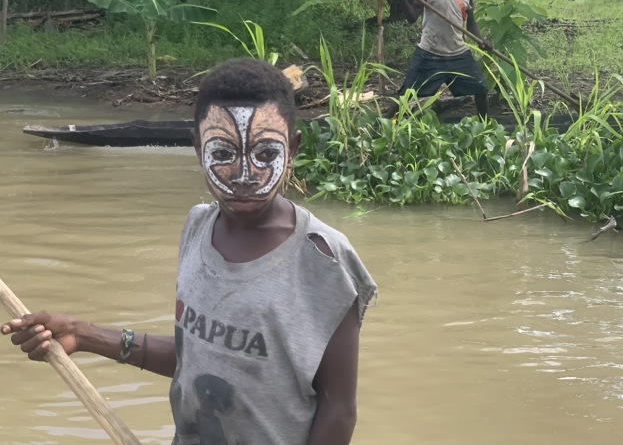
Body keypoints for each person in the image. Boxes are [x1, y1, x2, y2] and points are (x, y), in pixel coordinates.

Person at [2, 58, 378, 445]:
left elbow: (338, 408)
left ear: (293, 148)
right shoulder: (197, 227)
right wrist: (83, 335)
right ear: (198, 149)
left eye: (266, 154)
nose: (245, 172)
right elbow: (197, 357)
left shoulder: (324, 257)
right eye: (223, 153)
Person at [388, 0, 493, 118]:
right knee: (407, 93)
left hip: (458, 53)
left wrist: (482, 41)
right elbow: (412, 17)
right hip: (430, 53)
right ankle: (383, 124)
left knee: (480, 88)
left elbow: (471, 22)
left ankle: (486, 125)